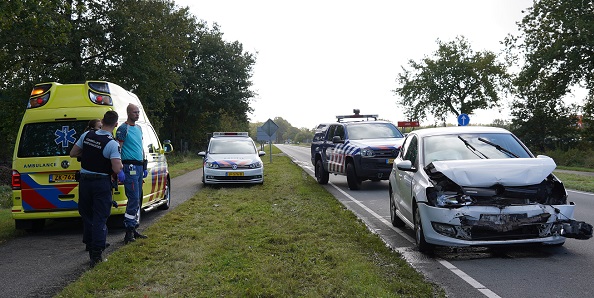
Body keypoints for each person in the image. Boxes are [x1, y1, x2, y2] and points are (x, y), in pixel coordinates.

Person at [70, 111, 123, 268]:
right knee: (100, 217)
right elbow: (116, 167)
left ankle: (89, 244)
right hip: (101, 183)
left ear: (102, 120)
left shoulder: (87, 135)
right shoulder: (112, 143)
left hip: (85, 182)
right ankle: (96, 255)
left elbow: (73, 153)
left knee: (87, 215)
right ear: (116, 124)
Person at [116, 103, 148, 244]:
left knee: (138, 198)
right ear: (128, 113)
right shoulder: (123, 129)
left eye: (138, 112)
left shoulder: (139, 128)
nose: (137, 114)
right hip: (129, 167)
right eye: (134, 112)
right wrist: (119, 168)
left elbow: (140, 148)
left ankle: (133, 227)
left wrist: (144, 165)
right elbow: (118, 149)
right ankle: (128, 232)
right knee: (133, 198)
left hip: (139, 167)